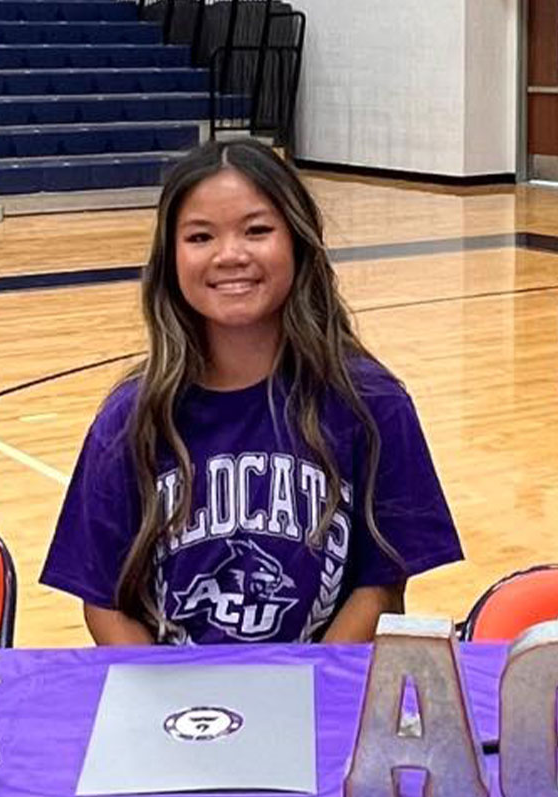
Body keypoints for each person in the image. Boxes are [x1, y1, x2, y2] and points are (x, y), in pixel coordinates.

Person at [41, 141, 462, 644]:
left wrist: (310, 681)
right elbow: (105, 604)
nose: (231, 255)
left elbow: (381, 587)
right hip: (173, 692)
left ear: (298, 241)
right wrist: (168, 692)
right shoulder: (128, 420)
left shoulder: (371, 403)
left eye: (257, 230)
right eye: (200, 236)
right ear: (171, 258)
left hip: (323, 688)